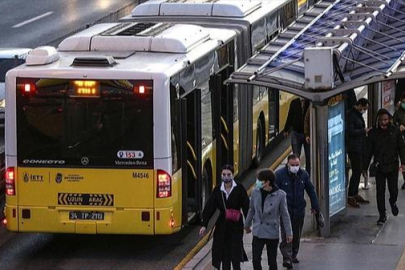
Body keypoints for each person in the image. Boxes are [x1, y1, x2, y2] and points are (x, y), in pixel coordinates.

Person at [199, 164, 249, 270]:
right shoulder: (218, 190)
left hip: (236, 226)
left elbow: (246, 206)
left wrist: (248, 224)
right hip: (222, 226)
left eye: (228, 174)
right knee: (224, 255)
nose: (226, 176)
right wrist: (204, 224)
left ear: (232, 175)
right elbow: (209, 208)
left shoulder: (239, 188)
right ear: (221, 175)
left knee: (235, 254)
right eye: (224, 174)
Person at [275, 154, 320, 268]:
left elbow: (311, 190)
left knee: (296, 234)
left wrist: (315, 206)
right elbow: (274, 193)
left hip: (299, 210)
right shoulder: (279, 175)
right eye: (293, 165)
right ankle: (287, 257)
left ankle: (293, 254)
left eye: (297, 165)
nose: (295, 167)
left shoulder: (303, 175)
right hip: (286, 211)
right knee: (287, 235)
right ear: (288, 164)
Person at [244, 168, 293, 270]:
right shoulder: (255, 192)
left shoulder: (280, 195)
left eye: (259, 180)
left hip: (272, 232)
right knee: (256, 259)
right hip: (258, 231)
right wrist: (247, 224)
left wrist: (289, 233)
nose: (257, 182)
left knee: (272, 261)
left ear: (267, 182)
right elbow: (252, 209)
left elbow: (285, 215)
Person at [363, 109, 405, 225]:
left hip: (392, 165)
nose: (383, 122)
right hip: (379, 166)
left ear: (389, 120)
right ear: (378, 120)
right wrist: (364, 167)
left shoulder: (395, 131)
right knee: (380, 192)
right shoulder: (373, 133)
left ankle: (393, 202)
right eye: (381, 120)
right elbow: (368, 151)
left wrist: (403, 163)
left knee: (393, 190)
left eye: (385, 120)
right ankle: (382, 215)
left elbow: (401, 148)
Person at [346, 98, 371, 208]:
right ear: (360, 105)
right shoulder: (351, 115)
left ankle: (355, 193)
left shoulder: (357, 114)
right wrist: (363, 131)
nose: (364, 111)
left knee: (358, 170)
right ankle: (351, 194)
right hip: (353, 148)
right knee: (356, 171)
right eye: (364, 108)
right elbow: (350, 131)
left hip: (359, 146)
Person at [284, 97, 310, 174]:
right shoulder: (294, 103)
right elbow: (290, 115)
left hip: (307, 134)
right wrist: (286, 129)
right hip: (296, 132)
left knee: (309, 156)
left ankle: (308, 174)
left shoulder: (310, 103)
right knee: (296, 155)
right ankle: (296, 174)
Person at [393, 92, 405, 190]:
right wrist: (398, 127)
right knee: (404, 160)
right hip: (402, 140)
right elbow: (392, 123)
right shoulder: (398, 112)